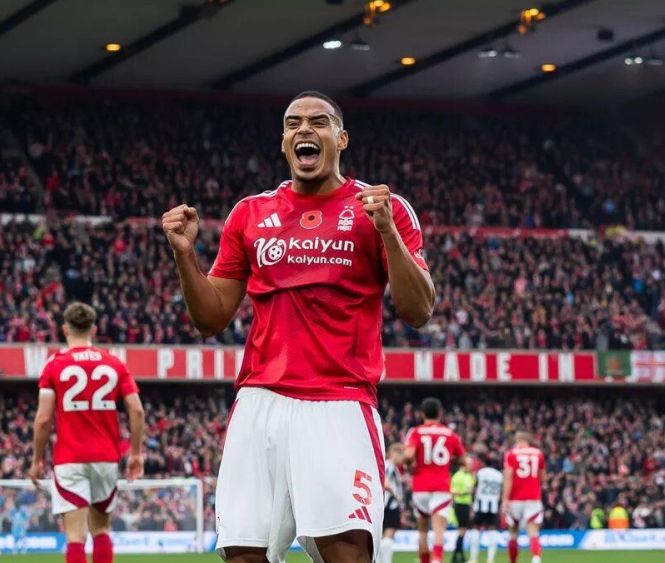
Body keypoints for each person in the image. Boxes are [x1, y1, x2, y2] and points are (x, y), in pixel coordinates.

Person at [162, 90, 434, 563]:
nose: (305, 130)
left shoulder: (380, 209)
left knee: (346, 552)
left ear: (341, 138)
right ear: (284, 142)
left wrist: (387, 233)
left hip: (339, 402)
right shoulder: (249, 213)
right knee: (243, 553)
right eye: (293, 124)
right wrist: (185, 256)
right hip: (259, 401)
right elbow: (210, 318)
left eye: (319, 122)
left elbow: (419, 310)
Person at [29, 303, 146, 563]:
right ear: (94, 328)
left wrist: (37, 459)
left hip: (70, 458)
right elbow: (136, 411)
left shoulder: (54, 366)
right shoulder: (114, 363)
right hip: (106, 457)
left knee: (75, 536)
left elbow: (44, 419)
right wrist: (136, 453)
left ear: (64, 329)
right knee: (101, 529)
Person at [405, 398, 466, 563]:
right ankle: (437, 560)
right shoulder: (450, 434)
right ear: (440, 413)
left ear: (422, 413)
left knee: (423, 532)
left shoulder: (415, 432)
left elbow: (409, 455)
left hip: (420, 487)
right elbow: (463, 460)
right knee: (439, 532)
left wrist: (410, 466)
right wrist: (451, 459)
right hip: (441, 487)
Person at [501, 431, 545, 563]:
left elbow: (508, 478)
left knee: (513, 533)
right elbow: (543, 477)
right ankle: (536, 558)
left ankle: (513, 561)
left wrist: (505, 499)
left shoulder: (511, 454)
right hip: (533, 498)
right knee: (533, 532)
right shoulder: (538, 454)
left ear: (518, 440)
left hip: (515, 499)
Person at [470, 454, 503, 563]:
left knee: (475, 529)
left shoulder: (480, 473)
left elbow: (473, 489)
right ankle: (490, 560)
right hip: (493, 506)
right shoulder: (499, 475)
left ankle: (474, 559)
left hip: (480, 504)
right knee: (492, 531)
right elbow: (502, 491)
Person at [380, 443, 407, 563]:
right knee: (388, 534)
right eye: (401, 455)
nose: (403, 459)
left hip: (387, 506)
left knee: (384, 536)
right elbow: (384, 482)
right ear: (395, 453)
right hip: (389, 505)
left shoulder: (394, 468)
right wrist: (397, 495)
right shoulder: (388, 466)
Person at [450, 456, 476, 563]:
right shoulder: (457, 476)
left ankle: (457, 556)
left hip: (466, 505)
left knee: (463, 531)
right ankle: (457, 556)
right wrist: (464, 492)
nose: (471, 466)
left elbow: (471, 489)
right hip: (459, 505)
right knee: (461, 530)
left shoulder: (470, 476)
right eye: (469, 464)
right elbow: (452, 492)